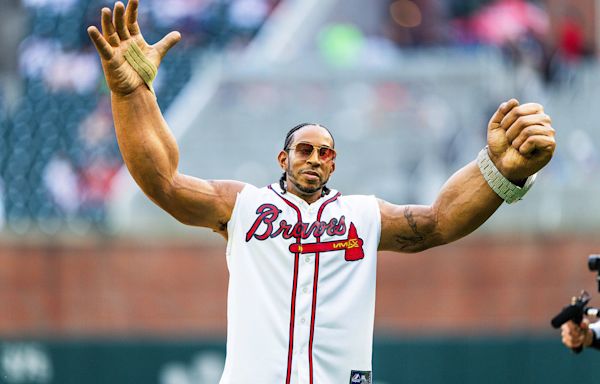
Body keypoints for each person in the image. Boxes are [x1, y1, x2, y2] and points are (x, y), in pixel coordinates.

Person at [87, 1, 556, 382]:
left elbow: (438, 221)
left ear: (334, 162)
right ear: (283, 158)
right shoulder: (245, 205)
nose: (314, 158)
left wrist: (501, 171)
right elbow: (162, 183)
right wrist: (132, 97)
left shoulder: (361, 215)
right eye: (304, 149)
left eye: (325, 152)